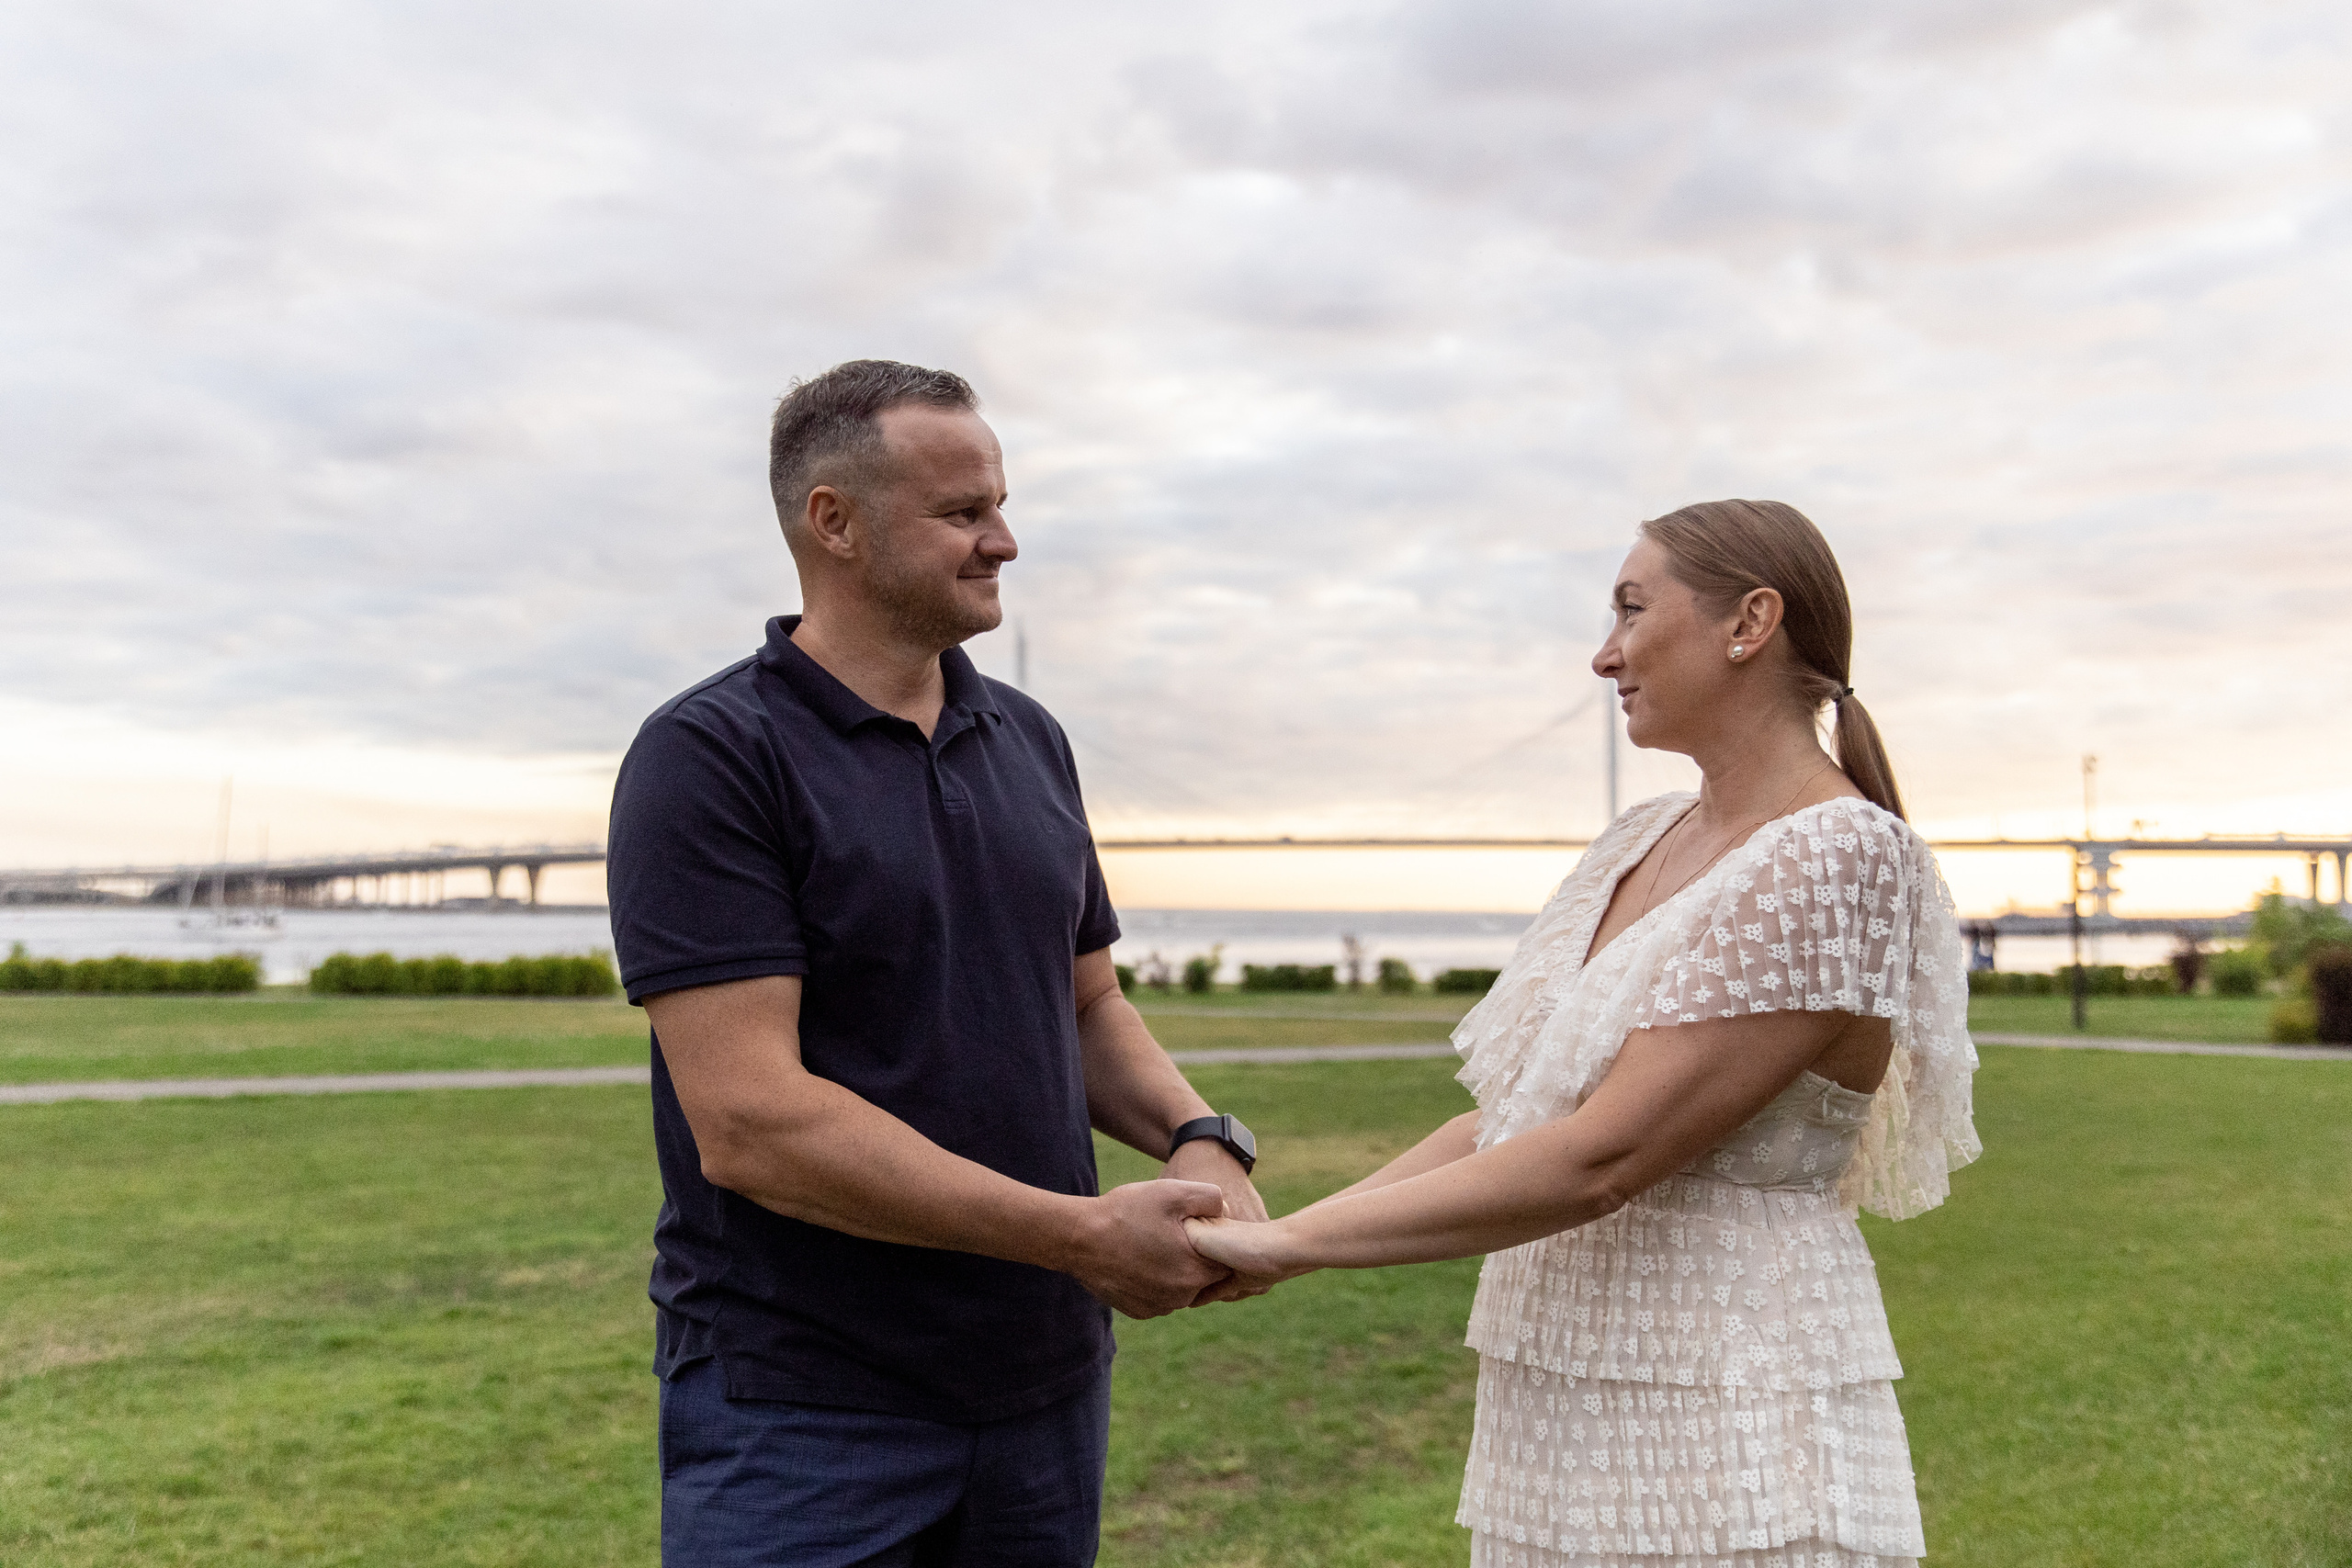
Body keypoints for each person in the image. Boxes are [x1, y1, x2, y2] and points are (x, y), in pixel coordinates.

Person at [1188, 500, 1980, 1568]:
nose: (1603, 655)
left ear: (1749, 623)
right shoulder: (1636, 839)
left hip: (1733, 1418)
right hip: (1558, 1406)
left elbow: (1605, 1154)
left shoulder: (1839, 857)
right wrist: (1284, 1242)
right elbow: (1511, 1127)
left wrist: (1281, 1244)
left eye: (1630, 610)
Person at [606, 359, 1269, 1568]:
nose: (1003, 541)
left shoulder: (1027, 738)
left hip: (1042, 1389)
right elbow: (753, 1120)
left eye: (1001, 505)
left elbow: (1087, 1005)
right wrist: (1080, 1233)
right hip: (805, 1410)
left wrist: (1202, 1132)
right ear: (835, 521)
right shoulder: (709, 755)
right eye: (963, 512)